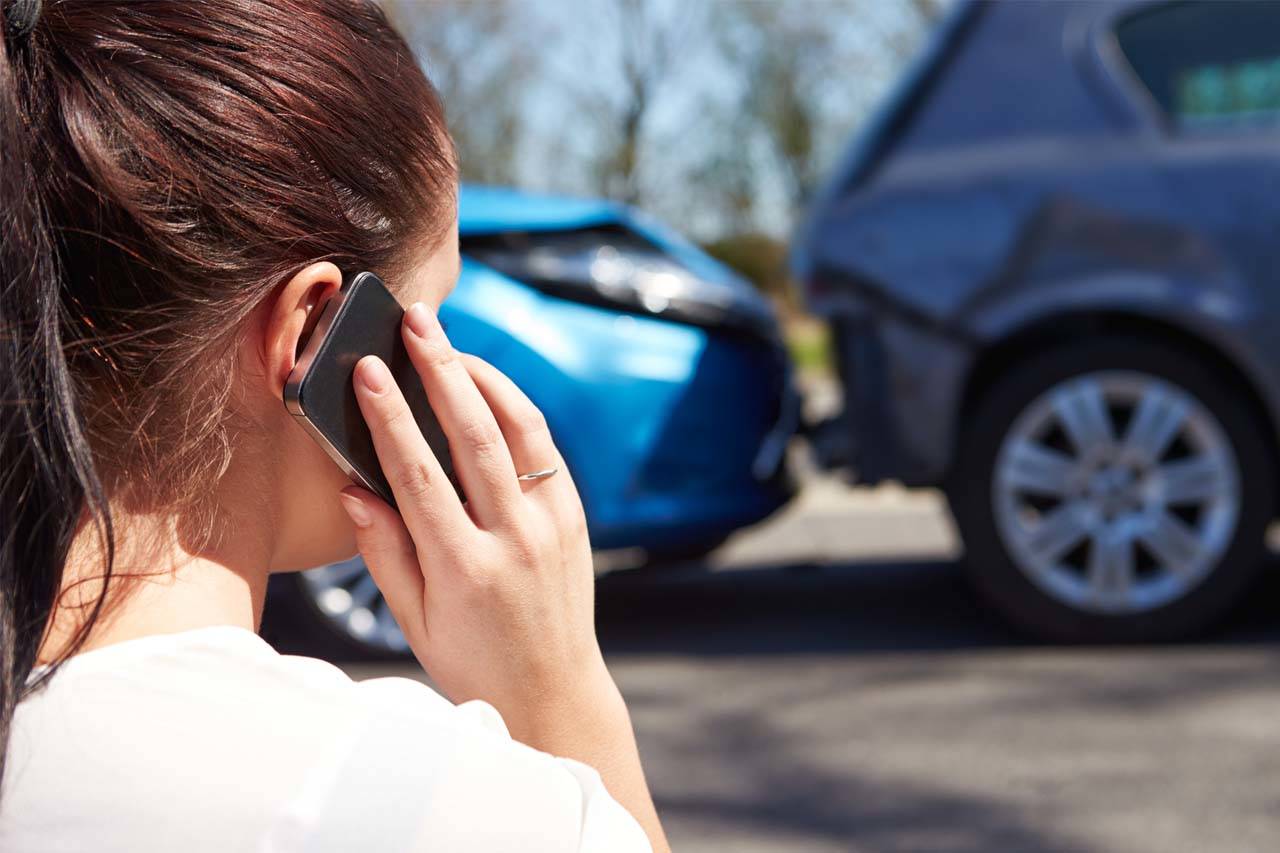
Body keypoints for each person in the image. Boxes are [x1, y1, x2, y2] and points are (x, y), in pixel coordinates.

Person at [0, 0, 668, 850]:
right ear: (316, 328)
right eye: (432, 314)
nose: (445, 363)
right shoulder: (424, 799)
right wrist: (562, 695)